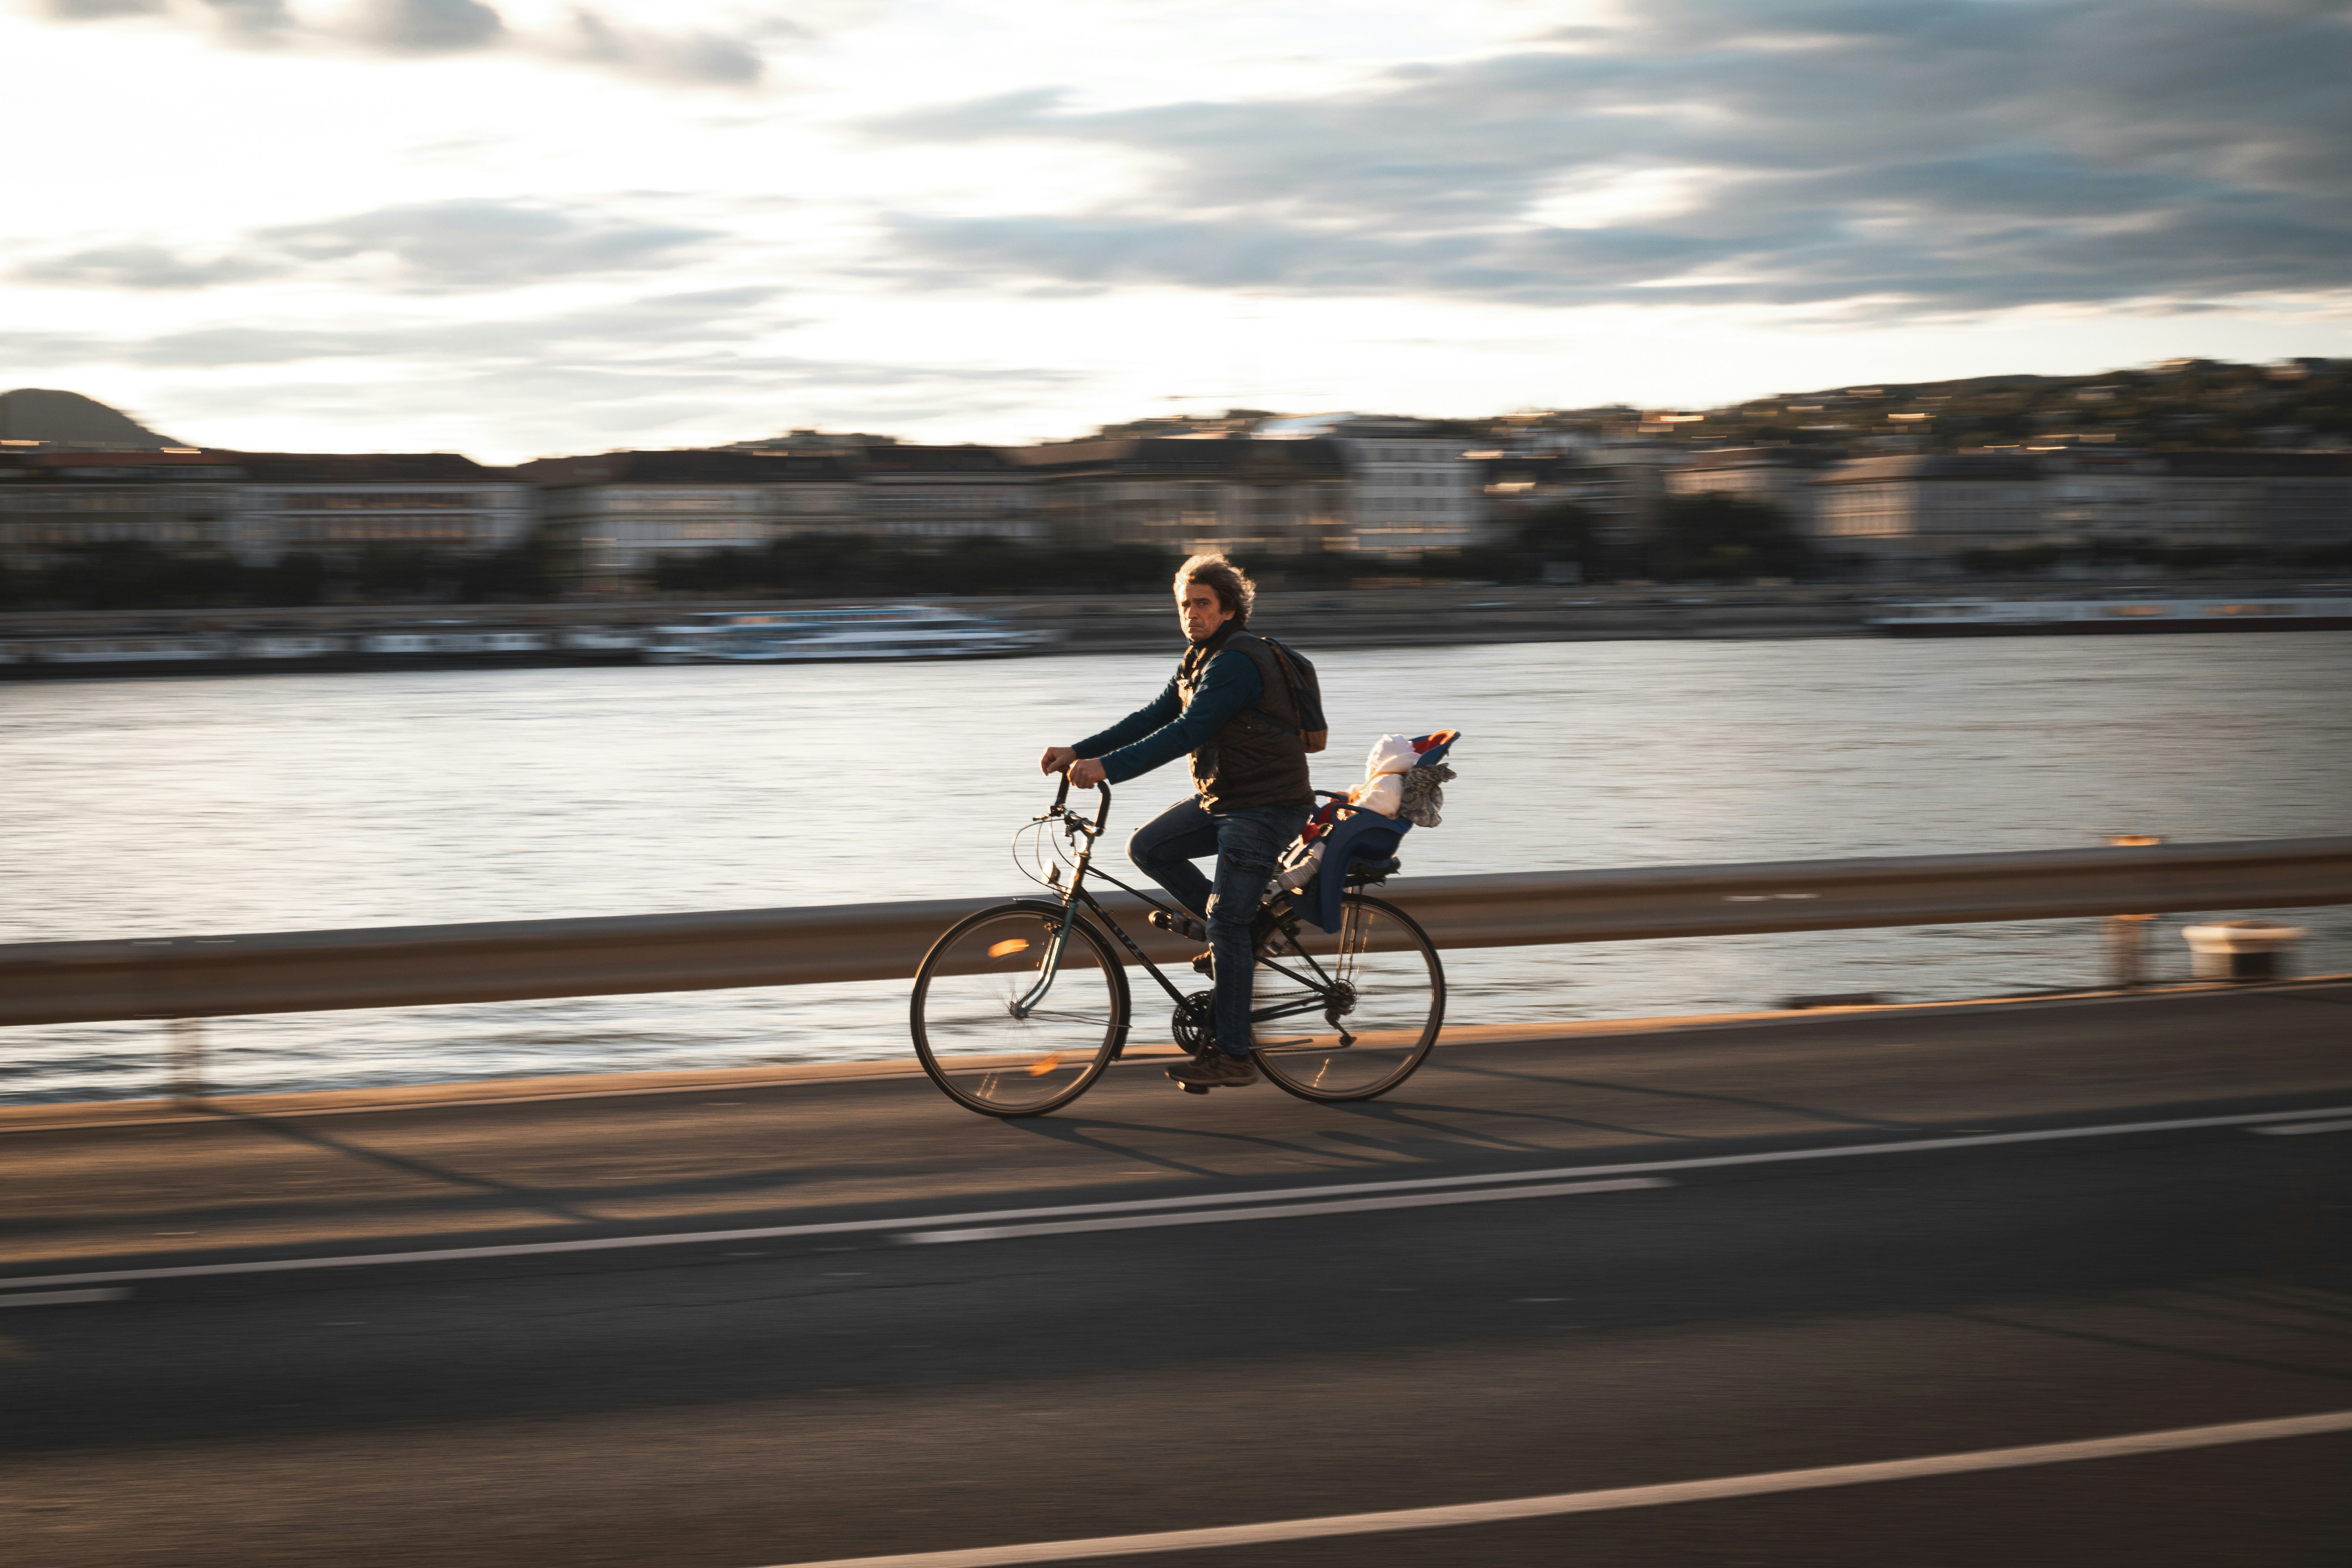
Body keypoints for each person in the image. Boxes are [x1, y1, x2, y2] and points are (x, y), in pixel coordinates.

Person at [1039, 554, 1313, 1089]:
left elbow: (1186, 733)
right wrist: (1078, 749)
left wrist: (1105, 768)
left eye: (1202, 604)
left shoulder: (1235, 662)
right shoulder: (1198, 658)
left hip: (1264, 807)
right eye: (1184, 605)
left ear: (1229, 608)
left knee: (1226, 925)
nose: (1191, 614)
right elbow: (1150, 718)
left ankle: (1235, 1056)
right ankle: (1250, 929)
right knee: (1149, 848)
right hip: (1228, 799)